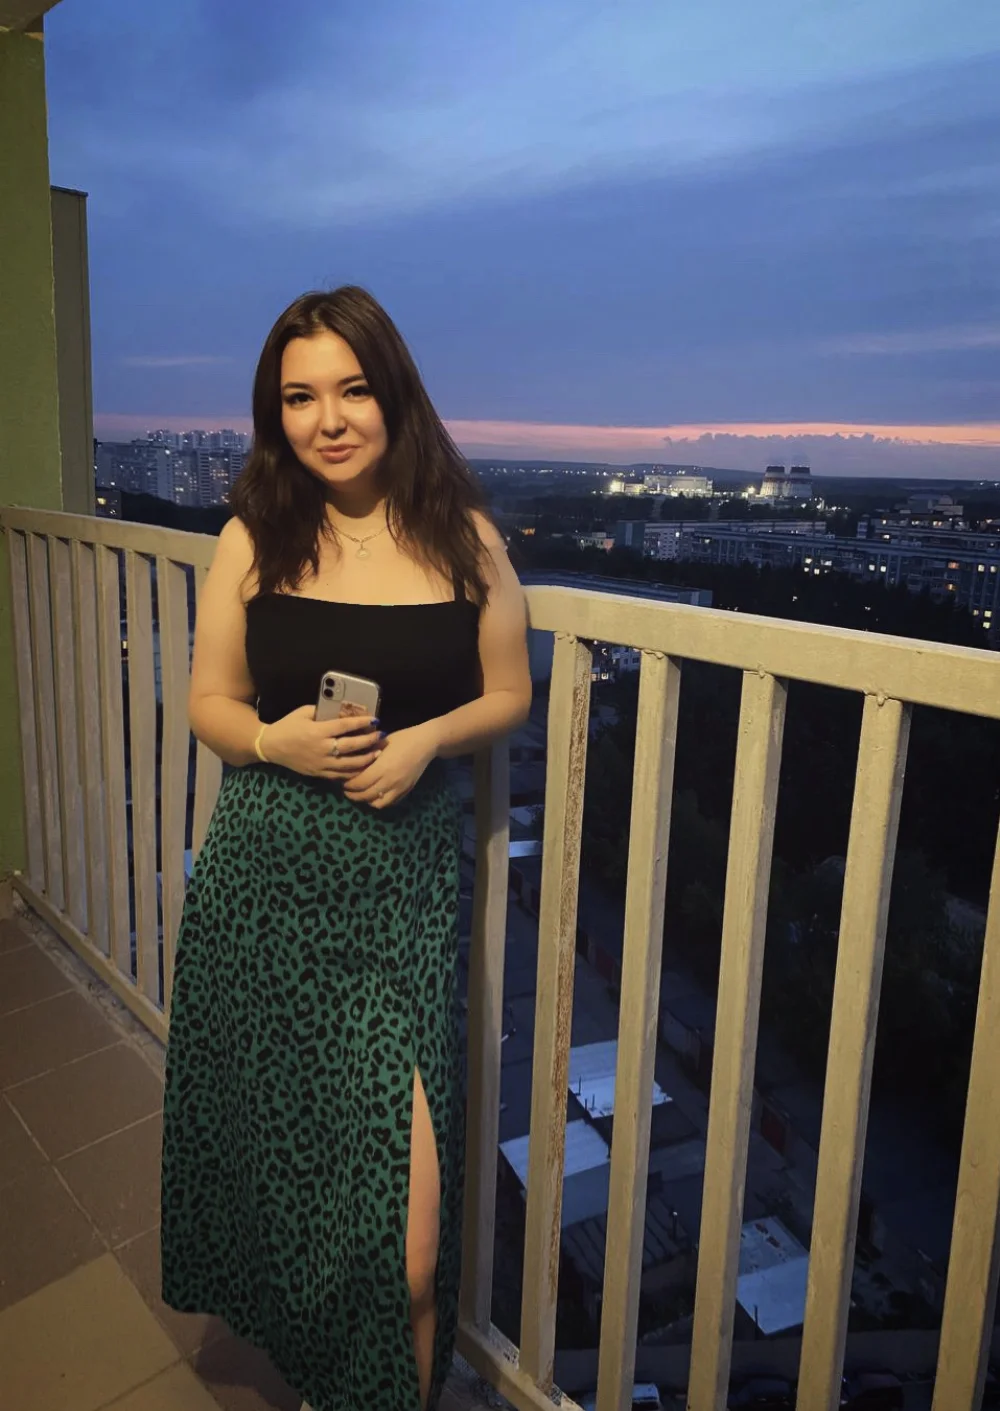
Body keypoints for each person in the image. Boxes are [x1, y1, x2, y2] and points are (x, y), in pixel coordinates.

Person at [160, 286, 532, 1411]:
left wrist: (425, 741)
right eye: (299, 397)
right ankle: (333, 1376)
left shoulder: (464, 538)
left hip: (397, 895)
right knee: (291, 1170)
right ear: (274, 413)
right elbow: (209, 702)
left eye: (353, 390)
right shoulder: (253, 536)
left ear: (394, 393)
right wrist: (273, 739)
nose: (328, 420)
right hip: (265, 886)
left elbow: (510, 690)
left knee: (407, 1243)